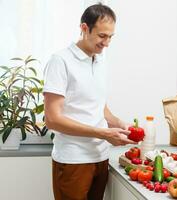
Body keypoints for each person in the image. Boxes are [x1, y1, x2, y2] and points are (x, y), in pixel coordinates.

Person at [43, 3, 136, 200]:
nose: (107, 43)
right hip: (73, 159)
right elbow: (52, 119)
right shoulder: (60, 61)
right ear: (84, 28)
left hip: (100, 157)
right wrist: (102, 133)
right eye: (102, 36)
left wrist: (117, 123)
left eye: (111, 37)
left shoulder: (100, 59)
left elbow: (97, 104)